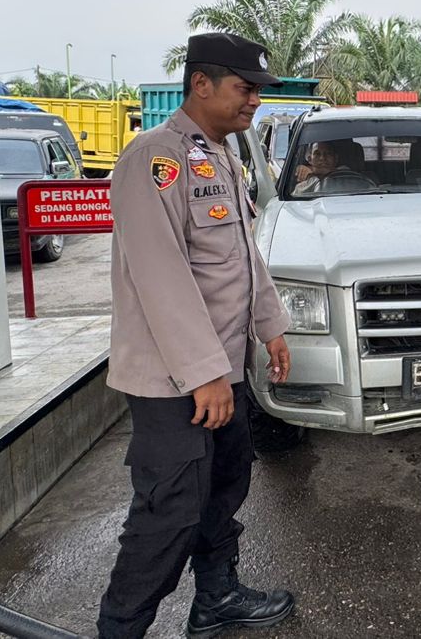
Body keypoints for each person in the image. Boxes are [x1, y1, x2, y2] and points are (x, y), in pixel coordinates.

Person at [98, 32, 298, 638]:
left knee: (223, 489)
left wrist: (271, 327)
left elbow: (243, 257)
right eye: (245, 87)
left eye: (258, 90)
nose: (254, 100)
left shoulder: (221, 155)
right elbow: (161, 274)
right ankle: (119, 630)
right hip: (173, 380)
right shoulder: (153, 158)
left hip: (223, 369)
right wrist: (205, 374)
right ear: (201, 84)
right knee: (169, 514)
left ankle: (216, 598)